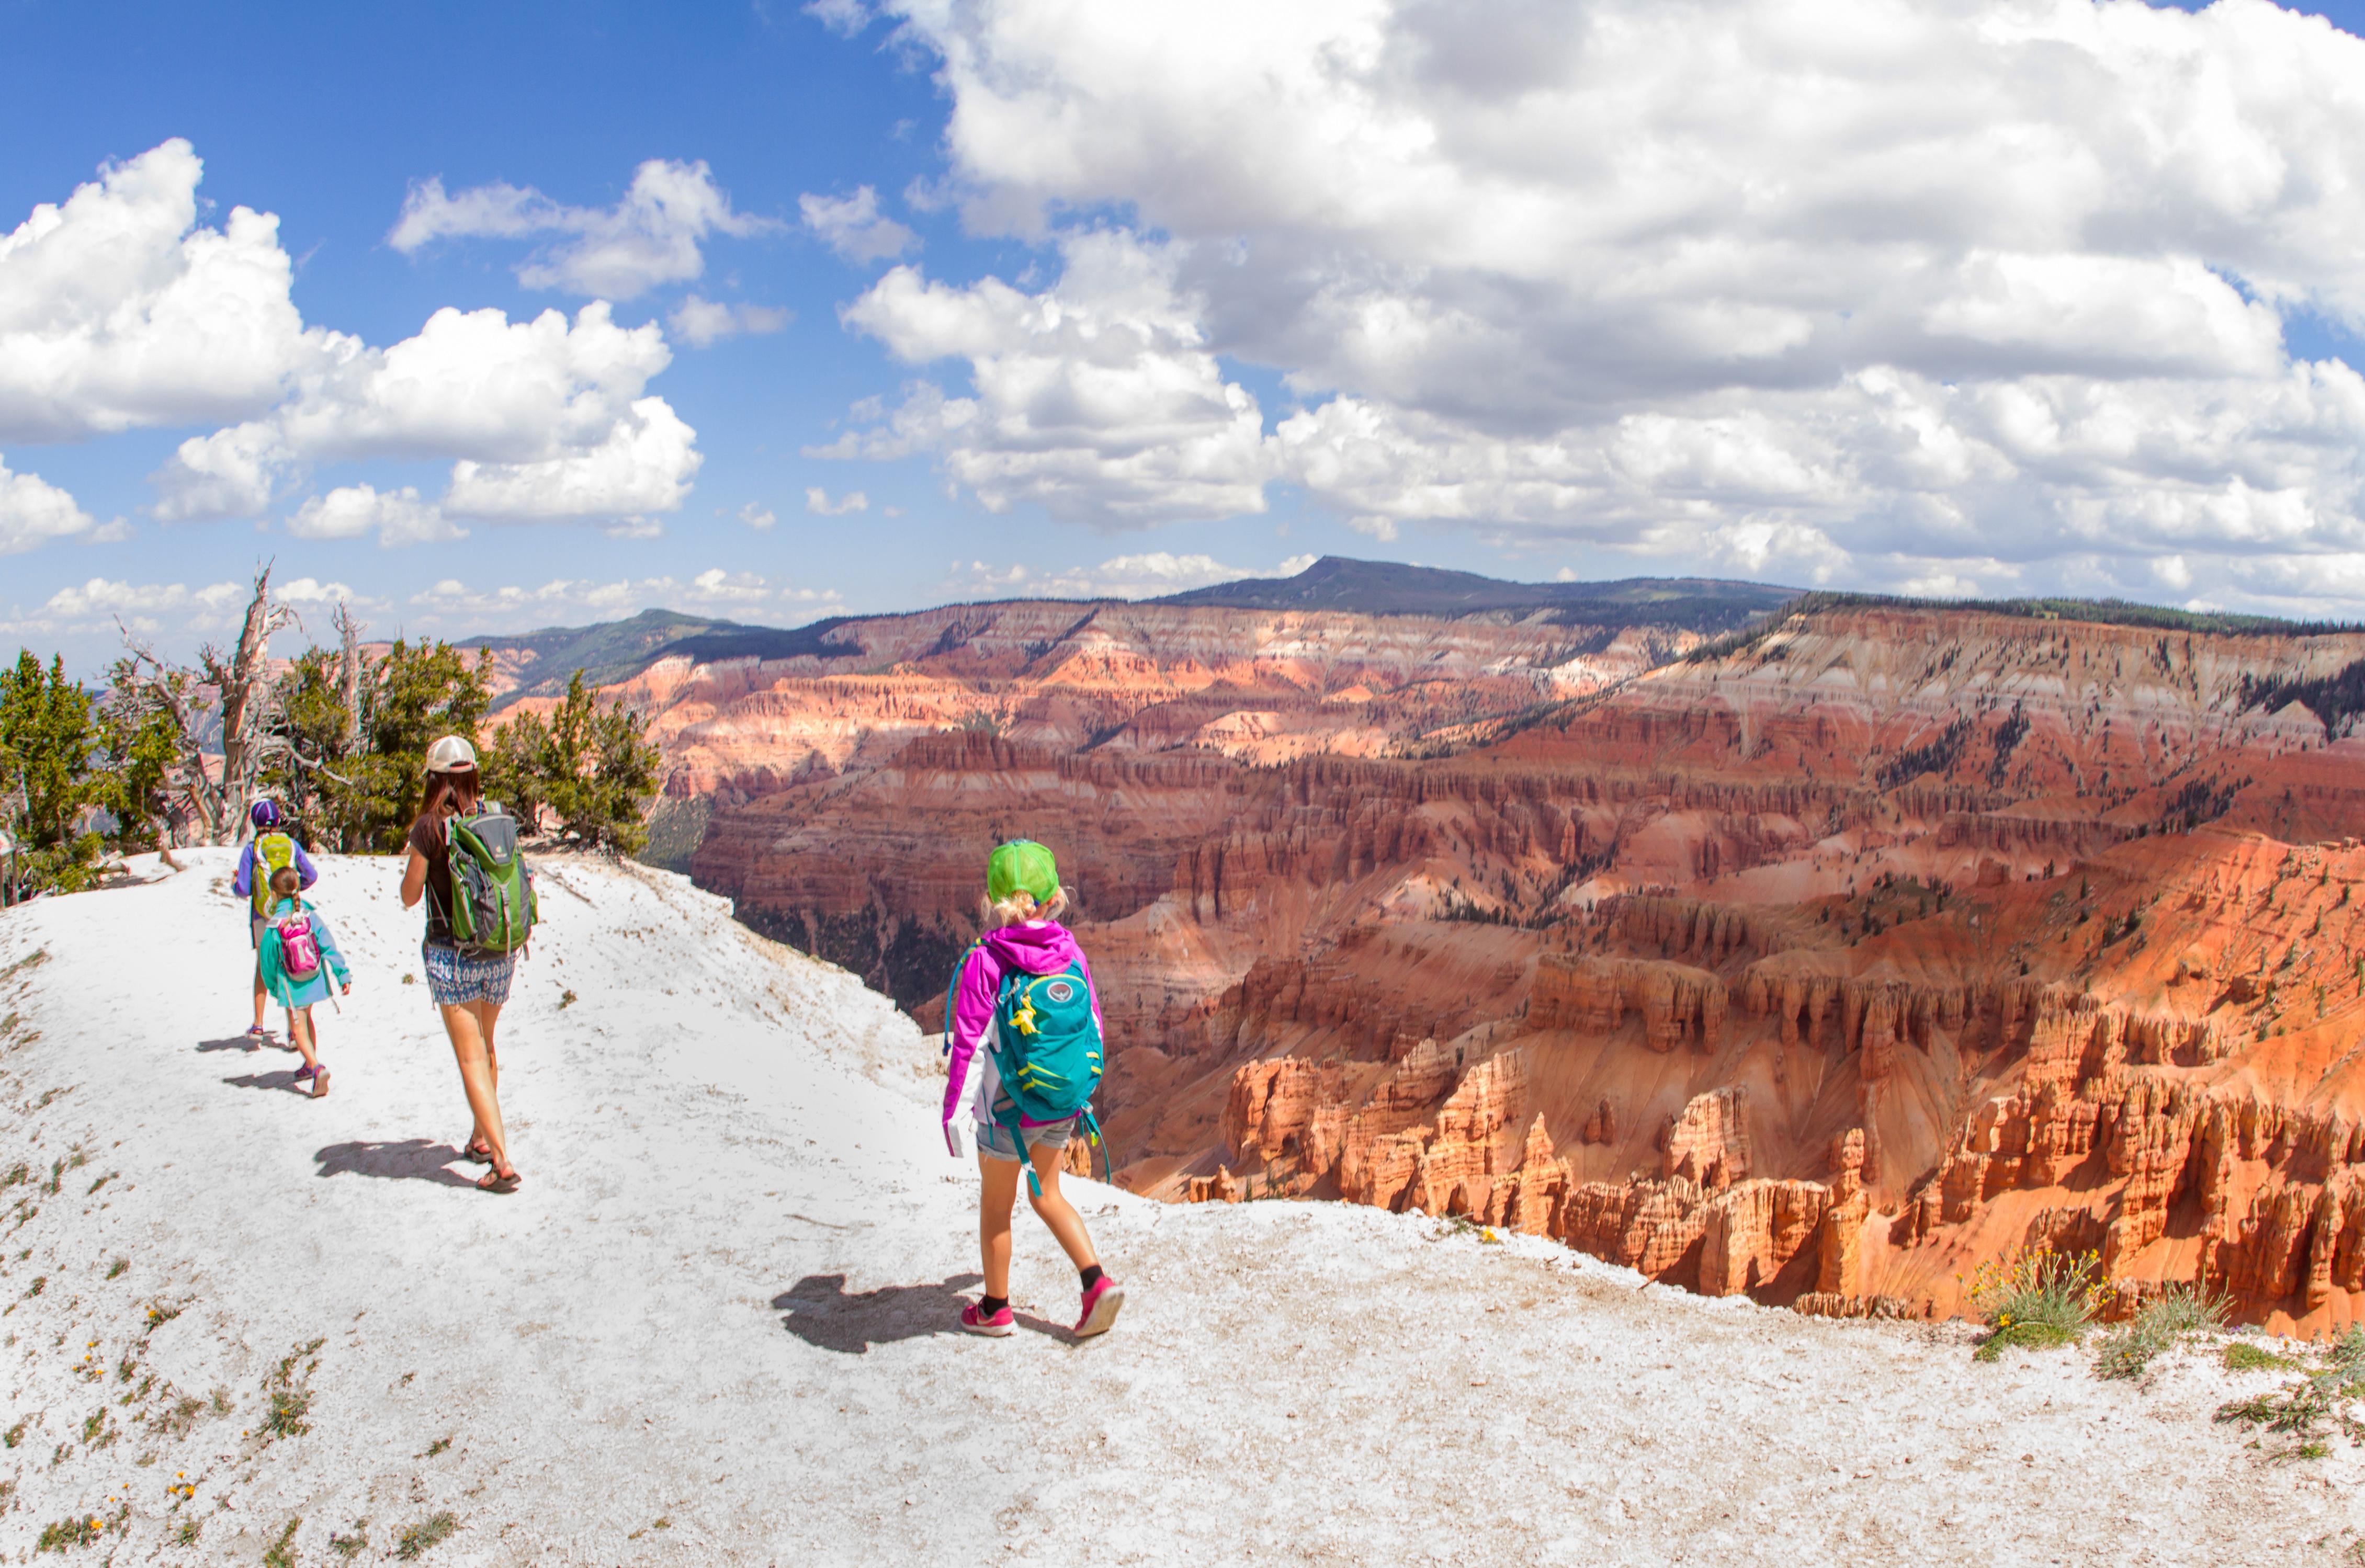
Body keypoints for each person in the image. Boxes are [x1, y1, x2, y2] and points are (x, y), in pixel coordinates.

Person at [942, 840, 1123, 1338]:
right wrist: (1080, 1088)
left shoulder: (986, 961)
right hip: (1061, 1103)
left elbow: (969, 1048)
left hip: (1007, 1113)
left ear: (994, 901)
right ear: (1051, 898)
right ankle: (1095, 1282)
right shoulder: (1070, 952)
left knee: (996, 1210)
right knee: (1047, 1195)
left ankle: (995, 1309)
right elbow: (1093, 1027)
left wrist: (953, 1118)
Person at [398, 736, 522, 1194]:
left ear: (434, 778)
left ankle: (502, 1161)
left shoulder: (429, 828)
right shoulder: (494, 815)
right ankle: (480, 1139)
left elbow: (410, 897)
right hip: (500, 948)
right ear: (472, 775)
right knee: (487, 1046)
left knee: (470, 1057)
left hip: (453, 955)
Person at [257, 865, 351, 1097]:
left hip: (291, 983)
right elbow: (328, 945)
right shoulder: (309, 914)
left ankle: (317, 1067)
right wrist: (342, 975)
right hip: (315, 978)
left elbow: (266, 961)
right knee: (307, 1019)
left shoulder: (275, 923)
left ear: (275, 894)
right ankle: (310, 1064)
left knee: (297, 1027)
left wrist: (272, 986)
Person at [233, 799, 316, 1046]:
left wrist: (233, 884)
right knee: (289, 967)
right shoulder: (291, 845)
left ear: (254, 822)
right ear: (279, 821)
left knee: (263, 966)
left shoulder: (252, 849)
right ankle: (293, 1032)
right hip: (290, 913)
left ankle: (258, 1024)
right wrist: (294, 888)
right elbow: (311, 875)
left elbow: (243, 889)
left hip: (263, 916)